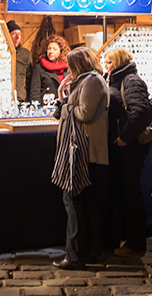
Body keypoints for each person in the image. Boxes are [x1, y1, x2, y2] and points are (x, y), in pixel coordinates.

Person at [52, 48, 109, 270]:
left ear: (79, 65)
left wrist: (67, 106)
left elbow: (84, 112)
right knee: (87, 204)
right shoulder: (85, 81)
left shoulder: (92, 81)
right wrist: (62, 95)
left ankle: (75, 255)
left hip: (84, 152)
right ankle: (91, 251)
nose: (67, 70)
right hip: (84, 150)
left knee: (73, 201)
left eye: (70, 65)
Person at [102, 48, 152, 256]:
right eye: (105, 62)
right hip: (120, 148)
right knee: (122, 193)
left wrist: (124, 138)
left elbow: (140, 111)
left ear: (120, 62)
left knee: (131, 193)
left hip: (130, 149)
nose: (106, 66)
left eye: (110, 62)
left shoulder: (130, 81)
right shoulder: (112, 80)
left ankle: (136, 243)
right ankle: (121, 239)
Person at [29, 34, 70, 103]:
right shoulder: (39, 68)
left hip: (65, 107)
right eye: (49, 48)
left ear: (61, 50)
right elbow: (34, 93)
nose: (51, 51)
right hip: (46, 109)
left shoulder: (67, 68)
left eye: (55, 49)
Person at [6, 20, 32, 102]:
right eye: (14, 34)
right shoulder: (0, 53)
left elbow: (29, 79)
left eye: (19, 34)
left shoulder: (26, 54)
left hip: (20, 99)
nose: (17, 37)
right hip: (3, 99)